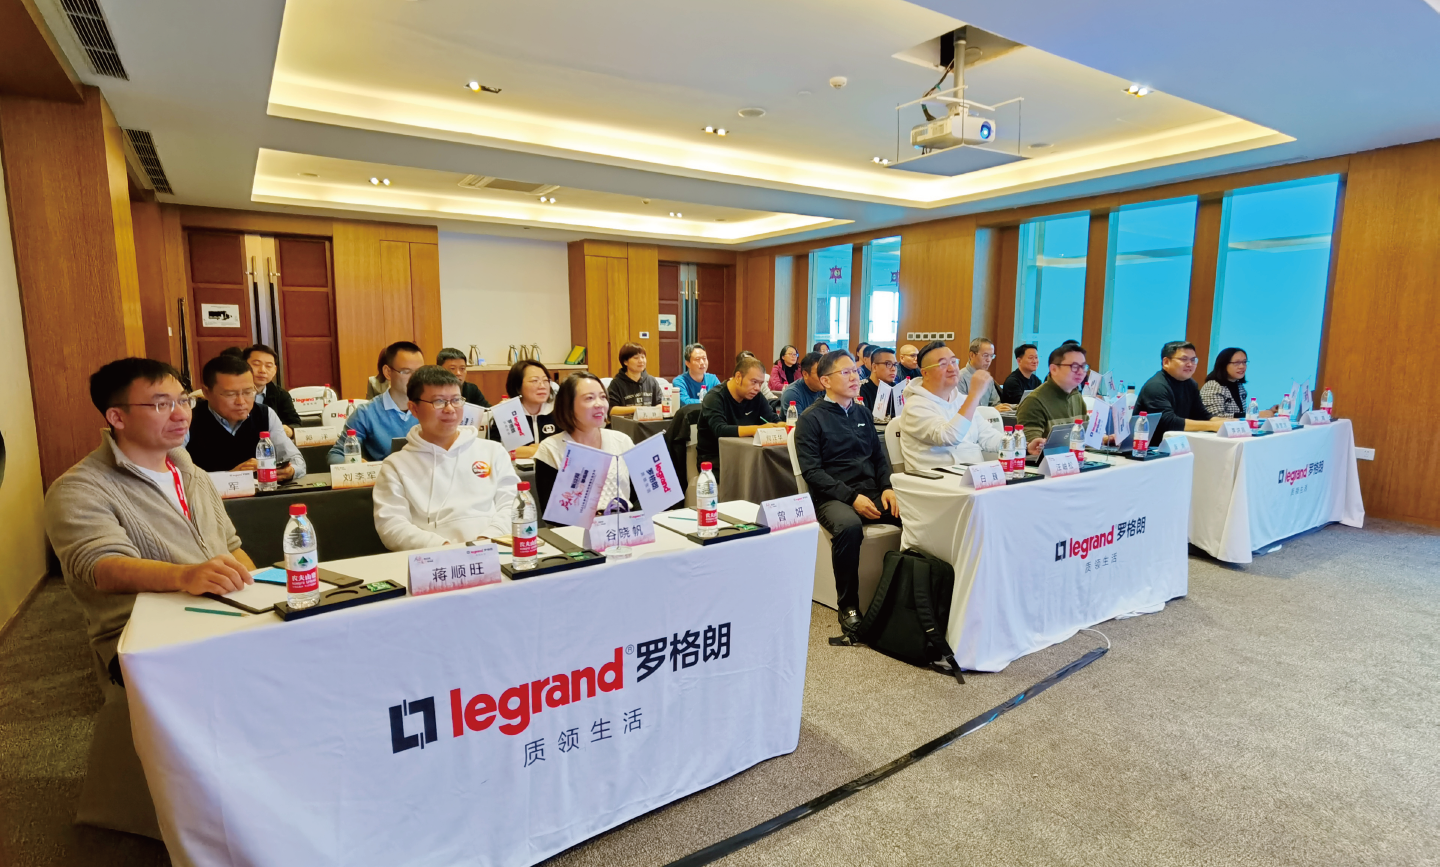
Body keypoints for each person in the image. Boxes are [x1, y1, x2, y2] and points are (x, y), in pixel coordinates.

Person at [45, 359, 258, 835]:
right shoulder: (78, 488)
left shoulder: (189, 470)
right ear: (116, 417)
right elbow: (101, 567)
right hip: (139, 634)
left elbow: (231, 546)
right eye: (161, 404)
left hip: (224, 612)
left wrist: (263, 586)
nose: (180, 414)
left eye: (183, 400)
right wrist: (186, 575)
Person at [794, 350, 900, 636]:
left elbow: (878, 458)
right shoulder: (810, 419)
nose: (855, 377)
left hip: (871, 491)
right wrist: (852, 498)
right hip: (831, 497)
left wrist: (887, 487)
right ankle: (848, 605)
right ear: (826, 381)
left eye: (855, 371)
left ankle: (904, 595)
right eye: (846, 372)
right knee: (849, 526)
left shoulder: (862, 412)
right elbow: (812, 473)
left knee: (913, 513)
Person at [372, 366, 518, 550]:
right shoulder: (395, 466)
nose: (450, 409)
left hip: (494, 549)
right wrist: (444, 548)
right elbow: (391, 525)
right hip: (433, 557)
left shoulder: (493, 451)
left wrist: (485, 542)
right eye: (439, 401)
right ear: (414, 408)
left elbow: (513, 504)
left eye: (456, 400)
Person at [185, 354, 306, 480]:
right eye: (230, 394)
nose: (241, 402)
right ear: (206, 392)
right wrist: (230, 477)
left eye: (248, 392)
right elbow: (178, 478)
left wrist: (289, 471)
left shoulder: (265, 414)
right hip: (209, 493)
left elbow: (297, 462)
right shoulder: (187, 421)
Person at [534, 373, 636, 514]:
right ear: (568, 405)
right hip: (574, 527)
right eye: (589, 398)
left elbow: (639, 498)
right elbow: (551, 514)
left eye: (603, 397)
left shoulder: (622, 441)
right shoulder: (551, 449)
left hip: (624, 523)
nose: (599, 404)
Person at [899, 341, 1006, 470]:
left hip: (974, 474)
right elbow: (948, 437)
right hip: (936, 477)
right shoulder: (915, 405)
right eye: (943, 364)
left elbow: (988, 437)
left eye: (954, 362)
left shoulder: (961, 399)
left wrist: (1020, 444)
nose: (952, 368)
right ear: (925, 373)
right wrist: (974, 396)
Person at [329, 341, 423, 463]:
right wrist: (356, 464)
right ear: (387, 372)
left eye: (419, 372)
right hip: (382, 474)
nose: (415, 378)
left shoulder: (431, 407)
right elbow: (337, 454)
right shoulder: (366, 413)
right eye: (406, 371)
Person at [698, 356, 785, 478]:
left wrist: (784, 426)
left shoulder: (757, 397)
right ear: (738, 377)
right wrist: (758, 429)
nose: (757, 388)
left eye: (760, 384)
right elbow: (720, 430)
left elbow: (773, 420)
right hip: (716, 459)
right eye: (754, 382)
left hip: (748, 455)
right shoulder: (715, 397)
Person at [1136, 341, 1225, 445]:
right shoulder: (1155, 386)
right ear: (1166, 362)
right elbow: (1169, 422)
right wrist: (1213, 426)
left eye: (1193, 360)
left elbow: (1202, 415)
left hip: (1179, 445)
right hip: (1151, 448)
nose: (1190, 364)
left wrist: (1228, 423)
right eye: (1184, 359)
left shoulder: (1191, 384)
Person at [1016, 343, 1092, 455]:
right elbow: (1032, 448)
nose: (1081, 372)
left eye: (1083, 367)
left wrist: (1105, 439)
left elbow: (1084, 436)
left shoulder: (1076, 396)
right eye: (1074, 367)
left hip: (1074, 459)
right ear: (1054, 369)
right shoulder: (1034, 402)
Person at [488, 359, 558, 459]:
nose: (542, 386)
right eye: (534, 381)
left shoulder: (559, 412)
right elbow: (493, 451)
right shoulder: (506, 413)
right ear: (518, 386)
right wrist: (533, 451)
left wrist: (524, 451)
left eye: (546, 380)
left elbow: (565, 449)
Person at [242, 344, 302, 439]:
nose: (262, 370)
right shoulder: (231, 392)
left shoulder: (280, 394)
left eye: (268, 366)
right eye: (256, 364)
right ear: (243, 365)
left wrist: (288, 430)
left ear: (275, 370)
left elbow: (295, 424)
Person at [1200, 347, 1277, 419]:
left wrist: (1268, 412)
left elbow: (1240, 413)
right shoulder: (1213, 386)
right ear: (1223, 365)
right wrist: (1254, 415)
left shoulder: (1239, 386)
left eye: (1244, 362)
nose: (1242, 366)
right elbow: (1215, 417)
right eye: (1237, 363)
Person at [606, 342, 665, 416]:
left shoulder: (652, 381)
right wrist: (637, 409)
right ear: (625, 362)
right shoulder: (616, 383)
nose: (641, 361)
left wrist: (655, 409)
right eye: (636, 358)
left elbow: (661, 404)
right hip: (626, 422)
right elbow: (611, 410)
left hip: (649, 420)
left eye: (643, 357)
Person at [957, 337, 1009, 410]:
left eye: (991, 356)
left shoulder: (987, 378)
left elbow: (995, 403)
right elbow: (961, 408)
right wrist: (991, 410)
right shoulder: (960, 378)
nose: (989, 360)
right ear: (972, 355)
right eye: (985, 355)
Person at [858, 346, 901, 420]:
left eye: (895, 365)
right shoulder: (860, 389)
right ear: (874, 367)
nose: (893, 369)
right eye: (888, 364)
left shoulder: (897, 388)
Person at [780, 351, 825, 416]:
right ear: (805, 374)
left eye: (825, 372)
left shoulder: (828, 389)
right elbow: (799, 422)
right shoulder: (792, 394)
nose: (824, 377)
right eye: (819, 373)